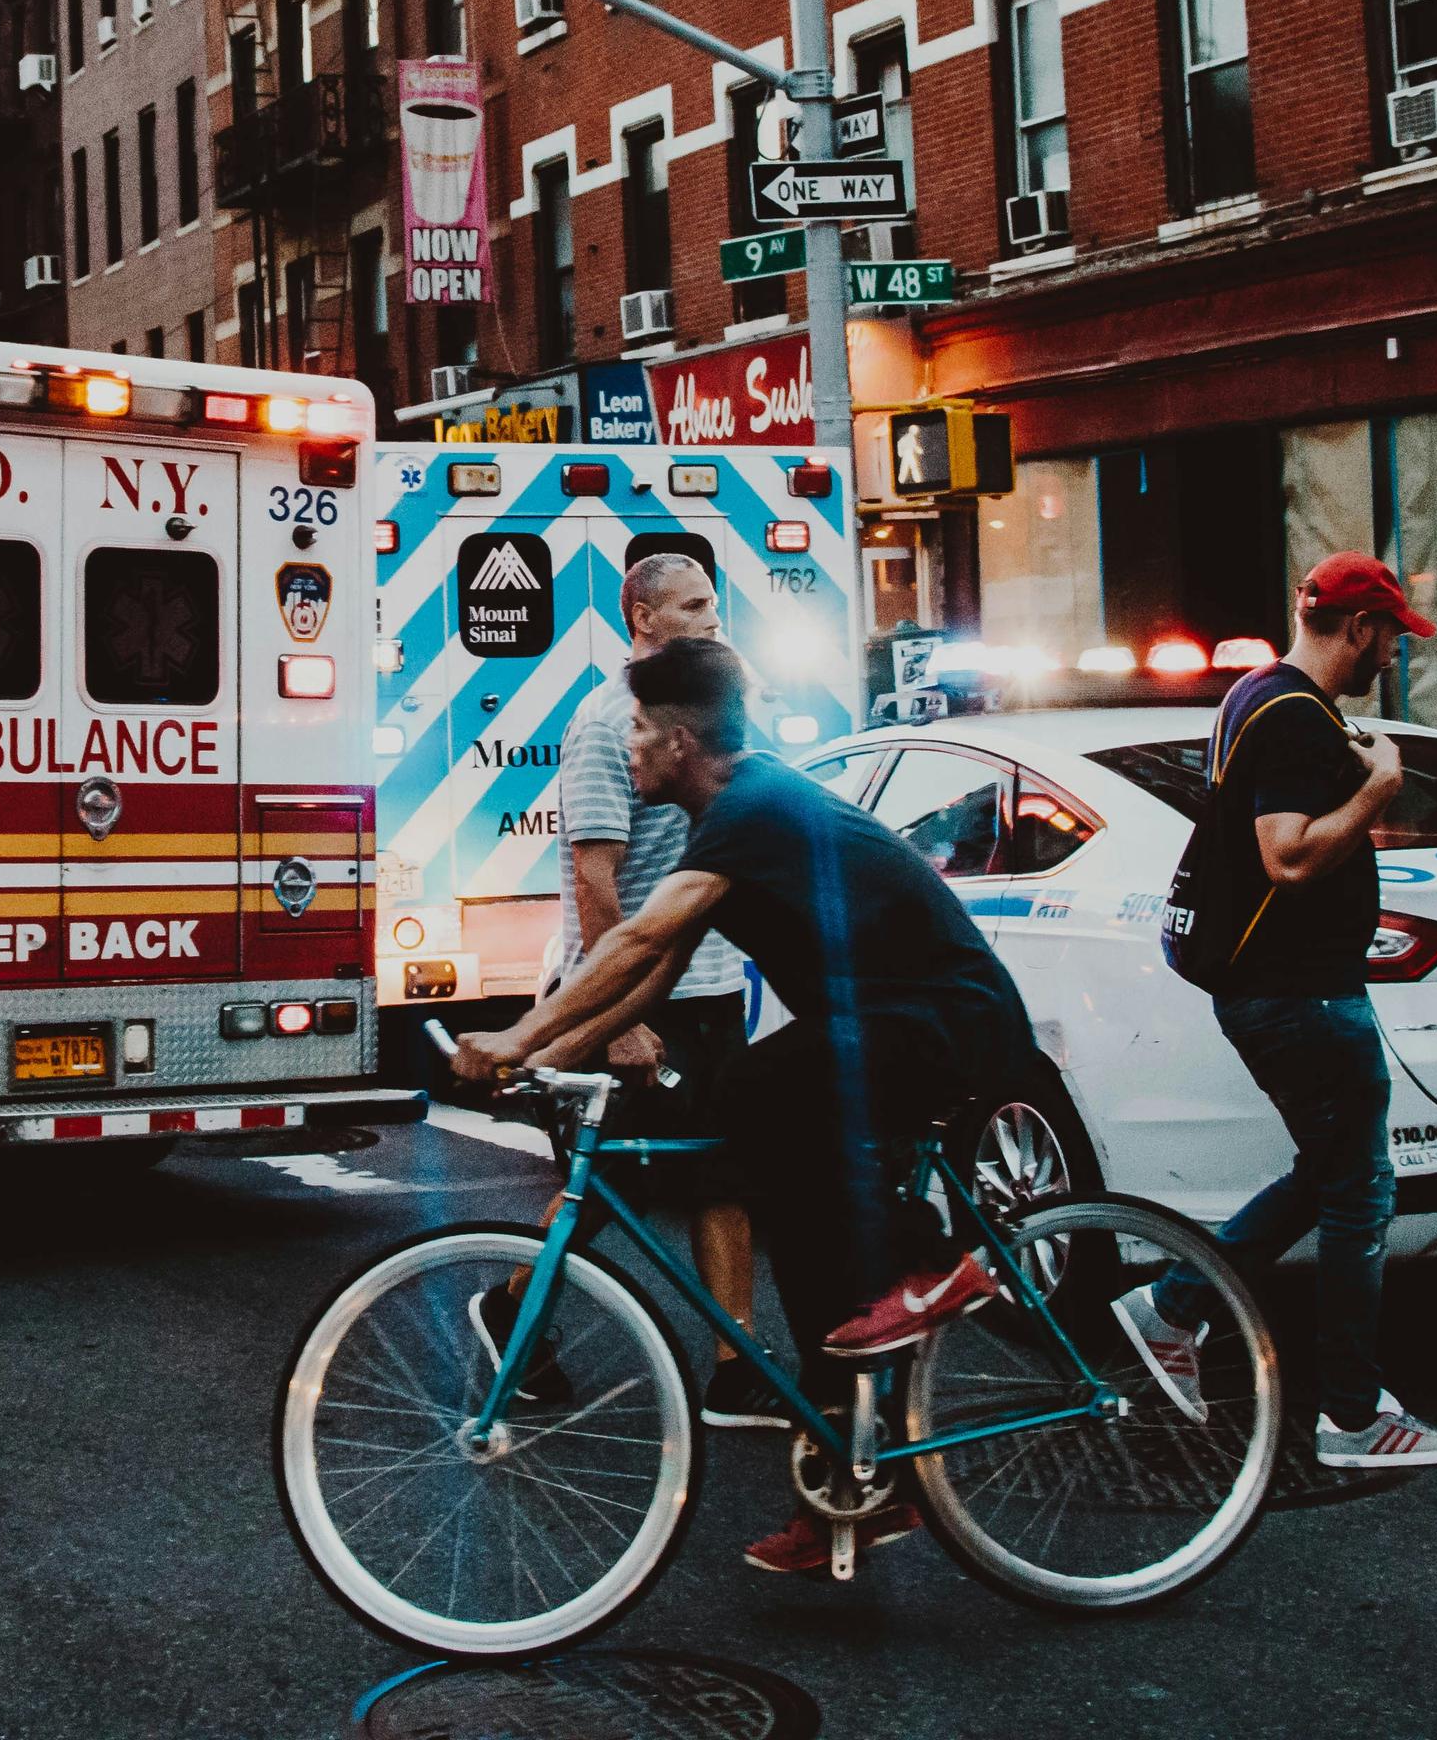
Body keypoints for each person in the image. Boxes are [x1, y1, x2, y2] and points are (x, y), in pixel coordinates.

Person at [449, 635, 1050, 1574]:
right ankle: (858, 1481)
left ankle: (934, 1264)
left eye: (642, 730)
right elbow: (657, 973)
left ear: (683, 741)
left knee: (753, 1092)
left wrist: (518, 1039)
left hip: (939, 1023)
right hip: (889, 1027)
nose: (631, 745)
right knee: (807, 1240)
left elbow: (644, 935)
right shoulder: (728, 818)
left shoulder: (756, 804)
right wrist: (557, 1056)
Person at [1124, 551, 1437, 1471]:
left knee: (1332, 1174)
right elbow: (1287, 856)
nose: (1394, 654)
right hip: (1301, 993)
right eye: (1392, 635)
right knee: (1360, 1193)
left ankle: (1173, 1305)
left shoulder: (1257, 695)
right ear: (1358, 627)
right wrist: (1379, 790)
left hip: (1282, 988)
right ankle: (1353, 1418)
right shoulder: (1293, 719)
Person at [471, 552, 776, 1431]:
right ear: (642, 619)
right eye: (691, 606)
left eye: (712, 604)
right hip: (640, 996)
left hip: (707, 987)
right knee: (611, 1185)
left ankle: (736, 1366)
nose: (712, 619)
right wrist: (619, 1022)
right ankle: (511, 1310)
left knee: (727, 1175)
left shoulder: (706, 718)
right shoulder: (610, 725)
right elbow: (594, 882)